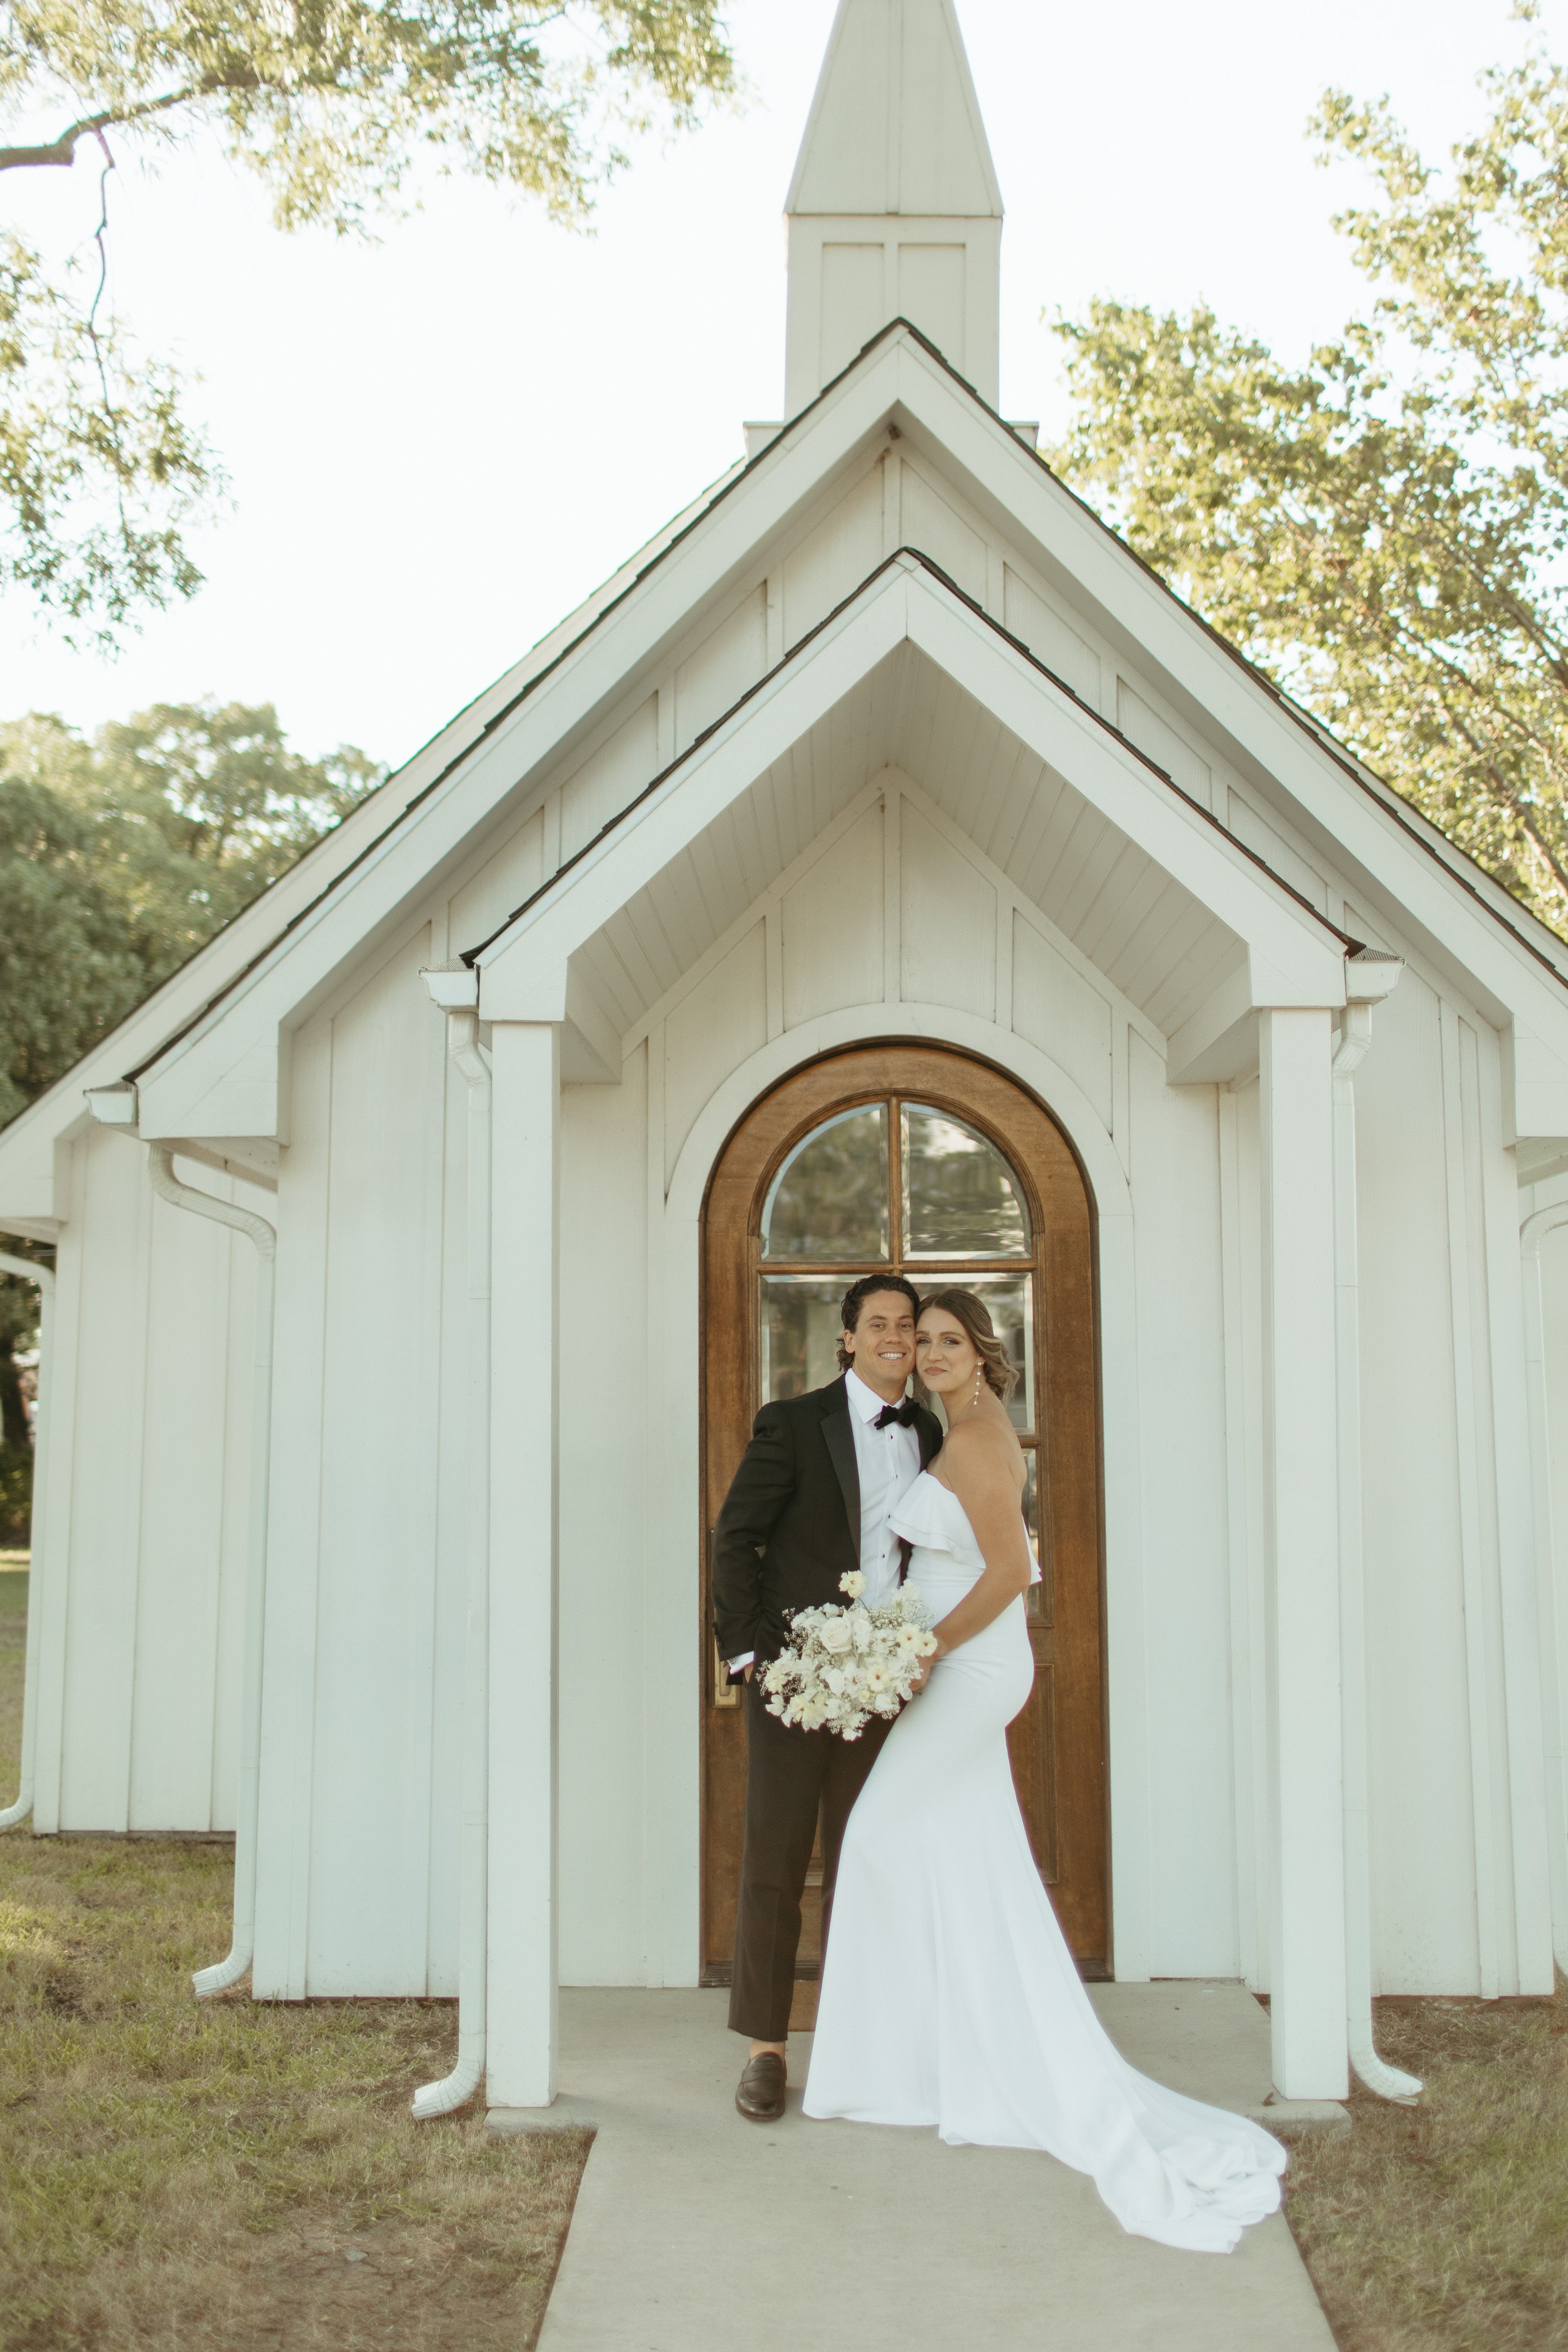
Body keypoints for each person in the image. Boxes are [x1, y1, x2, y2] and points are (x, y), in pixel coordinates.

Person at [803, 1288, 1288, 2254]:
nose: (932, 1353)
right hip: (951, 1662)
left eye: (949, 1340)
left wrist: (923, 1651)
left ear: (981, 1353)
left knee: (878, 1837)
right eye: (922, 1340)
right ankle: (945, 2063)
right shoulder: (958, 1426)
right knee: (960, 1859)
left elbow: (1009, 1573)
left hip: (975, 1670)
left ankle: (903, 2069)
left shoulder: (983, 1439)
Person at [711, 1274, 943, 2124]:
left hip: (885, 1686)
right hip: (796, 1680)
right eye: (877, 1324)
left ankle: (857, 2040)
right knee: (774, 1864)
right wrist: (749, 1657)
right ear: (847, 1338)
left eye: (905, 1325)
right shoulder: (793, 1422)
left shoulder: (927, 1428)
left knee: (867, 1864)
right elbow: (736, 1536)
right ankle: (766, 2049)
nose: (893, 1337)